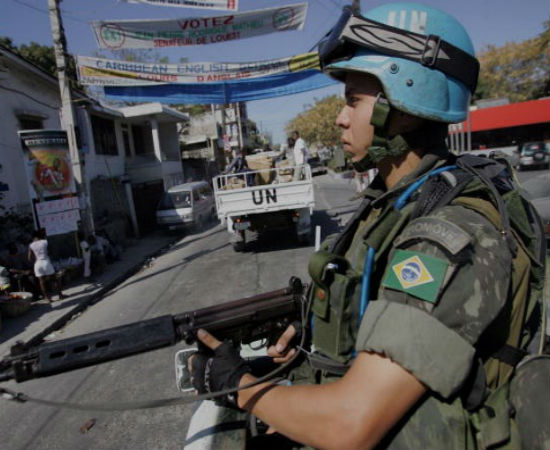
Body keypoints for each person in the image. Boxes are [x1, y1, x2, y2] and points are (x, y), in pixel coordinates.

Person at [189, 3, 547, 450]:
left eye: (353, 100)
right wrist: (314, 333)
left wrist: (236, 384)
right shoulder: (396, 202)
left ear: (406, 106)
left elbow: (350, 426)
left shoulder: (446, 234)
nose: (341, 117)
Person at [28, 229, 65, 302]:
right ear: (39, 235)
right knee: (54, 279)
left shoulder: (31, 245)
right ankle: (60, 295)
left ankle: (47, 298)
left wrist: (35, 260)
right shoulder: (45, 242)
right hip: (46, 261)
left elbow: (29, 258)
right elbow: (51, 251)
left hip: (37, 264)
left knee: (42, 282)